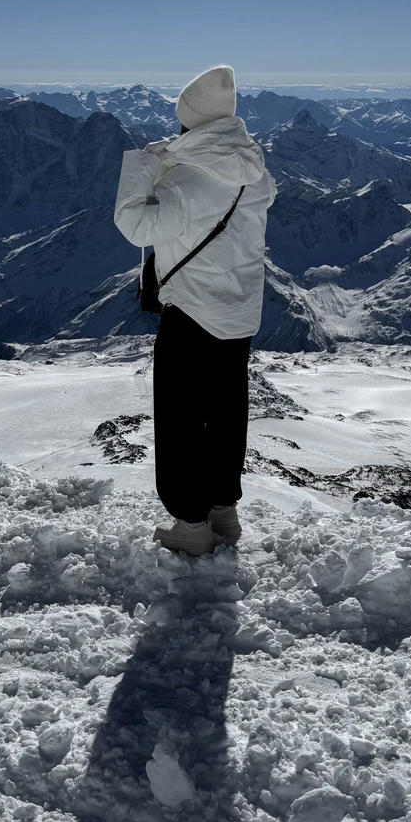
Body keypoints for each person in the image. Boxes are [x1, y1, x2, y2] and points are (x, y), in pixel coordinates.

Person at [113, 65, 276, 555]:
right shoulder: (252, 170)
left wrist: (143, 166)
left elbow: (135, 226)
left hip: (192, 311)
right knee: (226, 411)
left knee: (183, 415)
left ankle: (191, 522)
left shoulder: (190, 180)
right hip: (239, 311)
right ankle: (223, 512)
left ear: (190, 123)